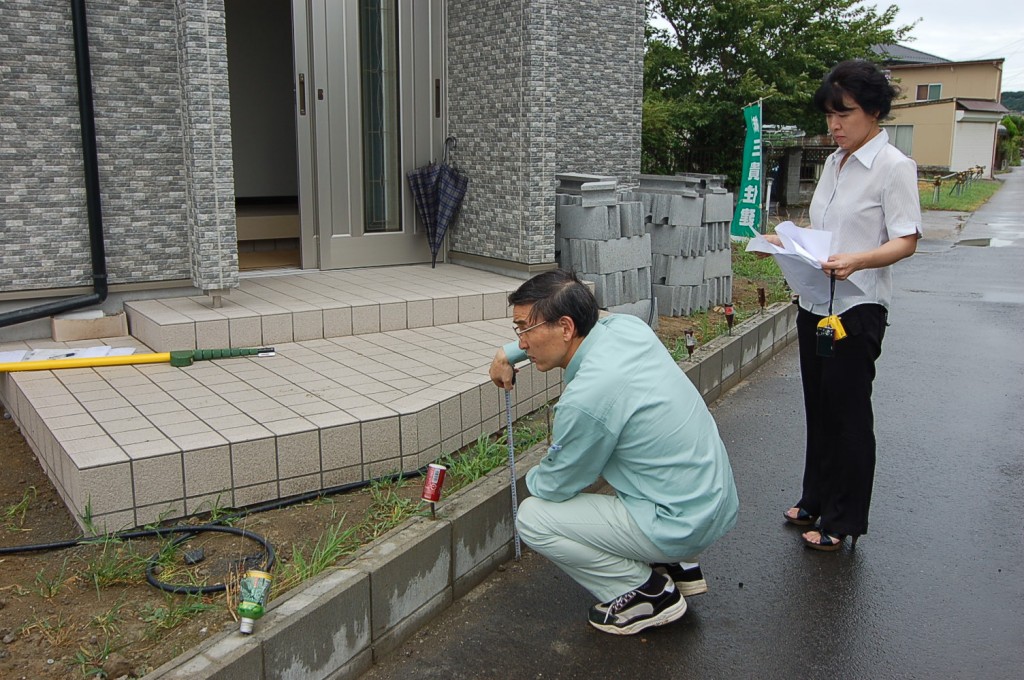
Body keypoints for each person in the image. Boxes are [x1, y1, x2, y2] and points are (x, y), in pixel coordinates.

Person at [488, 269, 739, 635]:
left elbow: (557, 485)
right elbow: (594, 321)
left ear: (566, 328)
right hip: (712, 498)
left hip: (680, 521)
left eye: (524, 329)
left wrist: (540, 473)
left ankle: (648, 594)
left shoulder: (589, 396)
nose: (521, 343)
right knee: (633, 462)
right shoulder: (626, 330)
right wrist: (505, 353)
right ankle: (676, 563)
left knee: (534, 517)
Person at [765, 59, 921, 551]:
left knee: (849, 415)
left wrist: (859, 260)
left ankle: (845, 518)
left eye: (845, 114)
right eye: (829, 115)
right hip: (816, 301)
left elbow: (906, 240)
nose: (834, 126)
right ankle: (815, 498)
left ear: (874, 111)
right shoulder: (834, 163)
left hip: (858, 307)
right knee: (819, 408)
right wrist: (788, 241)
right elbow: (831, 231)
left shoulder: (894, 167)